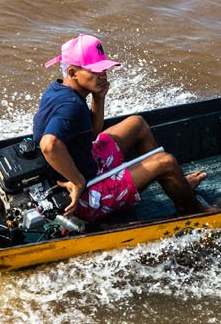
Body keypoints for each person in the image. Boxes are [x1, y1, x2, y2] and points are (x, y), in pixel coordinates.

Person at [33, 34, 211, 223]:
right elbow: (49, 144)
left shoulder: (59, 89)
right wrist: (78, 182)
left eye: (103, 70)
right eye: (94, 71)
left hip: (85, 163)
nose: (102, 75)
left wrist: (99, 98)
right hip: (83, 197)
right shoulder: (70, 106)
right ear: (72, 73)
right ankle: (192, 210)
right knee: (166, 162)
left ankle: (177, 186)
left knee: (137, 124)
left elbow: (90, 134)